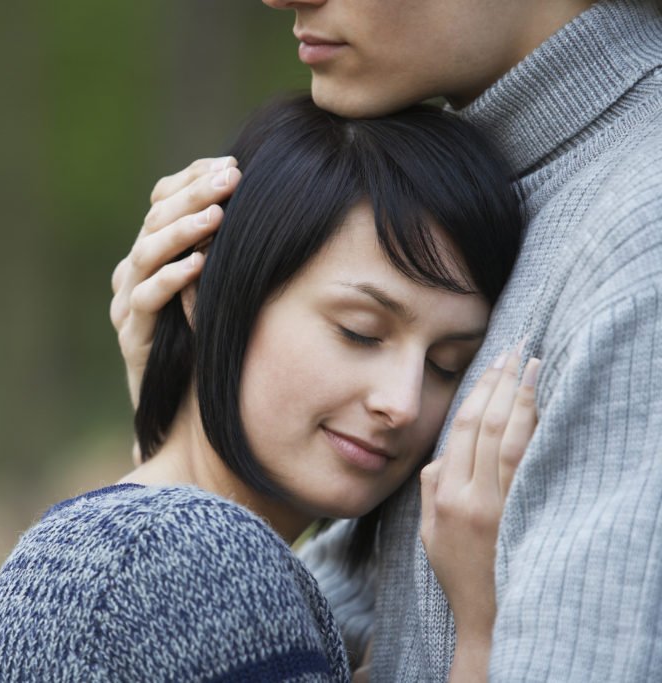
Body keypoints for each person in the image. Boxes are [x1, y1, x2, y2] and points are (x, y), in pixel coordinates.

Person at [110, 0, 662, 680]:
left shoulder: (639, 246)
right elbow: (290, 628)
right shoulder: (501, 188)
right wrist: (184, 438)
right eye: (359, 331)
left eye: (449, 366)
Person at [0, 96, 536, 682]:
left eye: (447, 365)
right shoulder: (196, 558)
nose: (403, 403)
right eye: (359, 332)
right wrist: (480, 632)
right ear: (207, 294)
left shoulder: (127, 545)